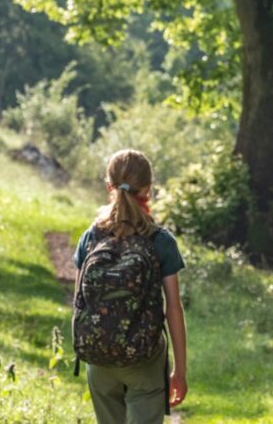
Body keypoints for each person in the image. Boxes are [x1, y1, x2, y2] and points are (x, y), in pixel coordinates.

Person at [73, 149, 188, 423]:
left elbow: (79, 302)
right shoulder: (160, 241)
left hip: (99, 361)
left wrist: (89, 347)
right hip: (144, 360)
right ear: (148, 189)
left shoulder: (91, 238)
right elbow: (173, 309)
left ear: (108, 186)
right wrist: (179, 371)